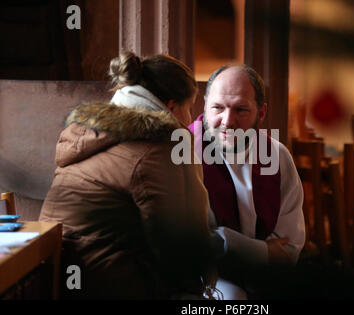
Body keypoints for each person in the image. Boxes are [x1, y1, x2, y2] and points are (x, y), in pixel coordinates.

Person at [39, 52, 215, 299]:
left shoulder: (89, 134)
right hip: (112, 284)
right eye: (189, 108)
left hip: (58, 281)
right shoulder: (162, 145)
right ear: (171, 105)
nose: (188, 120)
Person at [188, 65, 306, 299]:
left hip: (264, 276)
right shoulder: (185, 152)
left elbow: (289, 246)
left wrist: (242, 253)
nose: (227, 121)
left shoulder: (277, 155)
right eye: (217, 108)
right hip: (205, 276)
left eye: (241, 109)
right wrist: (261, 252)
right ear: (204, 105)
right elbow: (193, 241)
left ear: (261, 113)